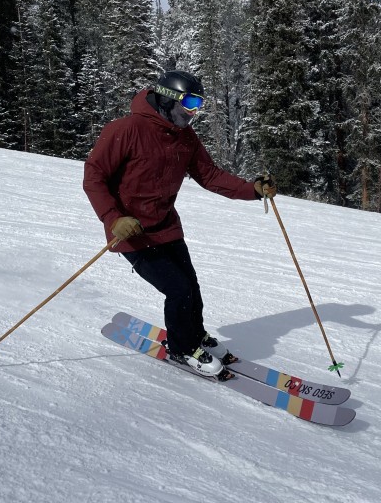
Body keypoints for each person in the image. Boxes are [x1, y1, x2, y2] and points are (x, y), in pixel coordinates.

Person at [83, 70, 277, 378]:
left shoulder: (185, 138)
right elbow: (94, 177)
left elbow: (210, 176)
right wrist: (113, 218)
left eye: (198, 104)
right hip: (131, 232)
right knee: (178, 290)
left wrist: (252, 190)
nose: (194, 111)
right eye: (189, 102)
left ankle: (195, 334)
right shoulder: (126, 129)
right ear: (167, 99)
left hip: (166, 226)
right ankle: (181, 348)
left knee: (192, 287)